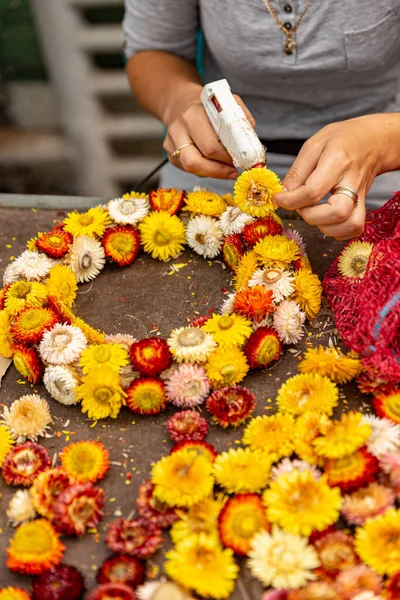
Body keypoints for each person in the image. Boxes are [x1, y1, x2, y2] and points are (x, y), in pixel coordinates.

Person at [123, 0, 400, 240]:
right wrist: (181, 101)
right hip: (217, 170)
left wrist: (384, 142)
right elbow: (153, 49)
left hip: (380, 176)